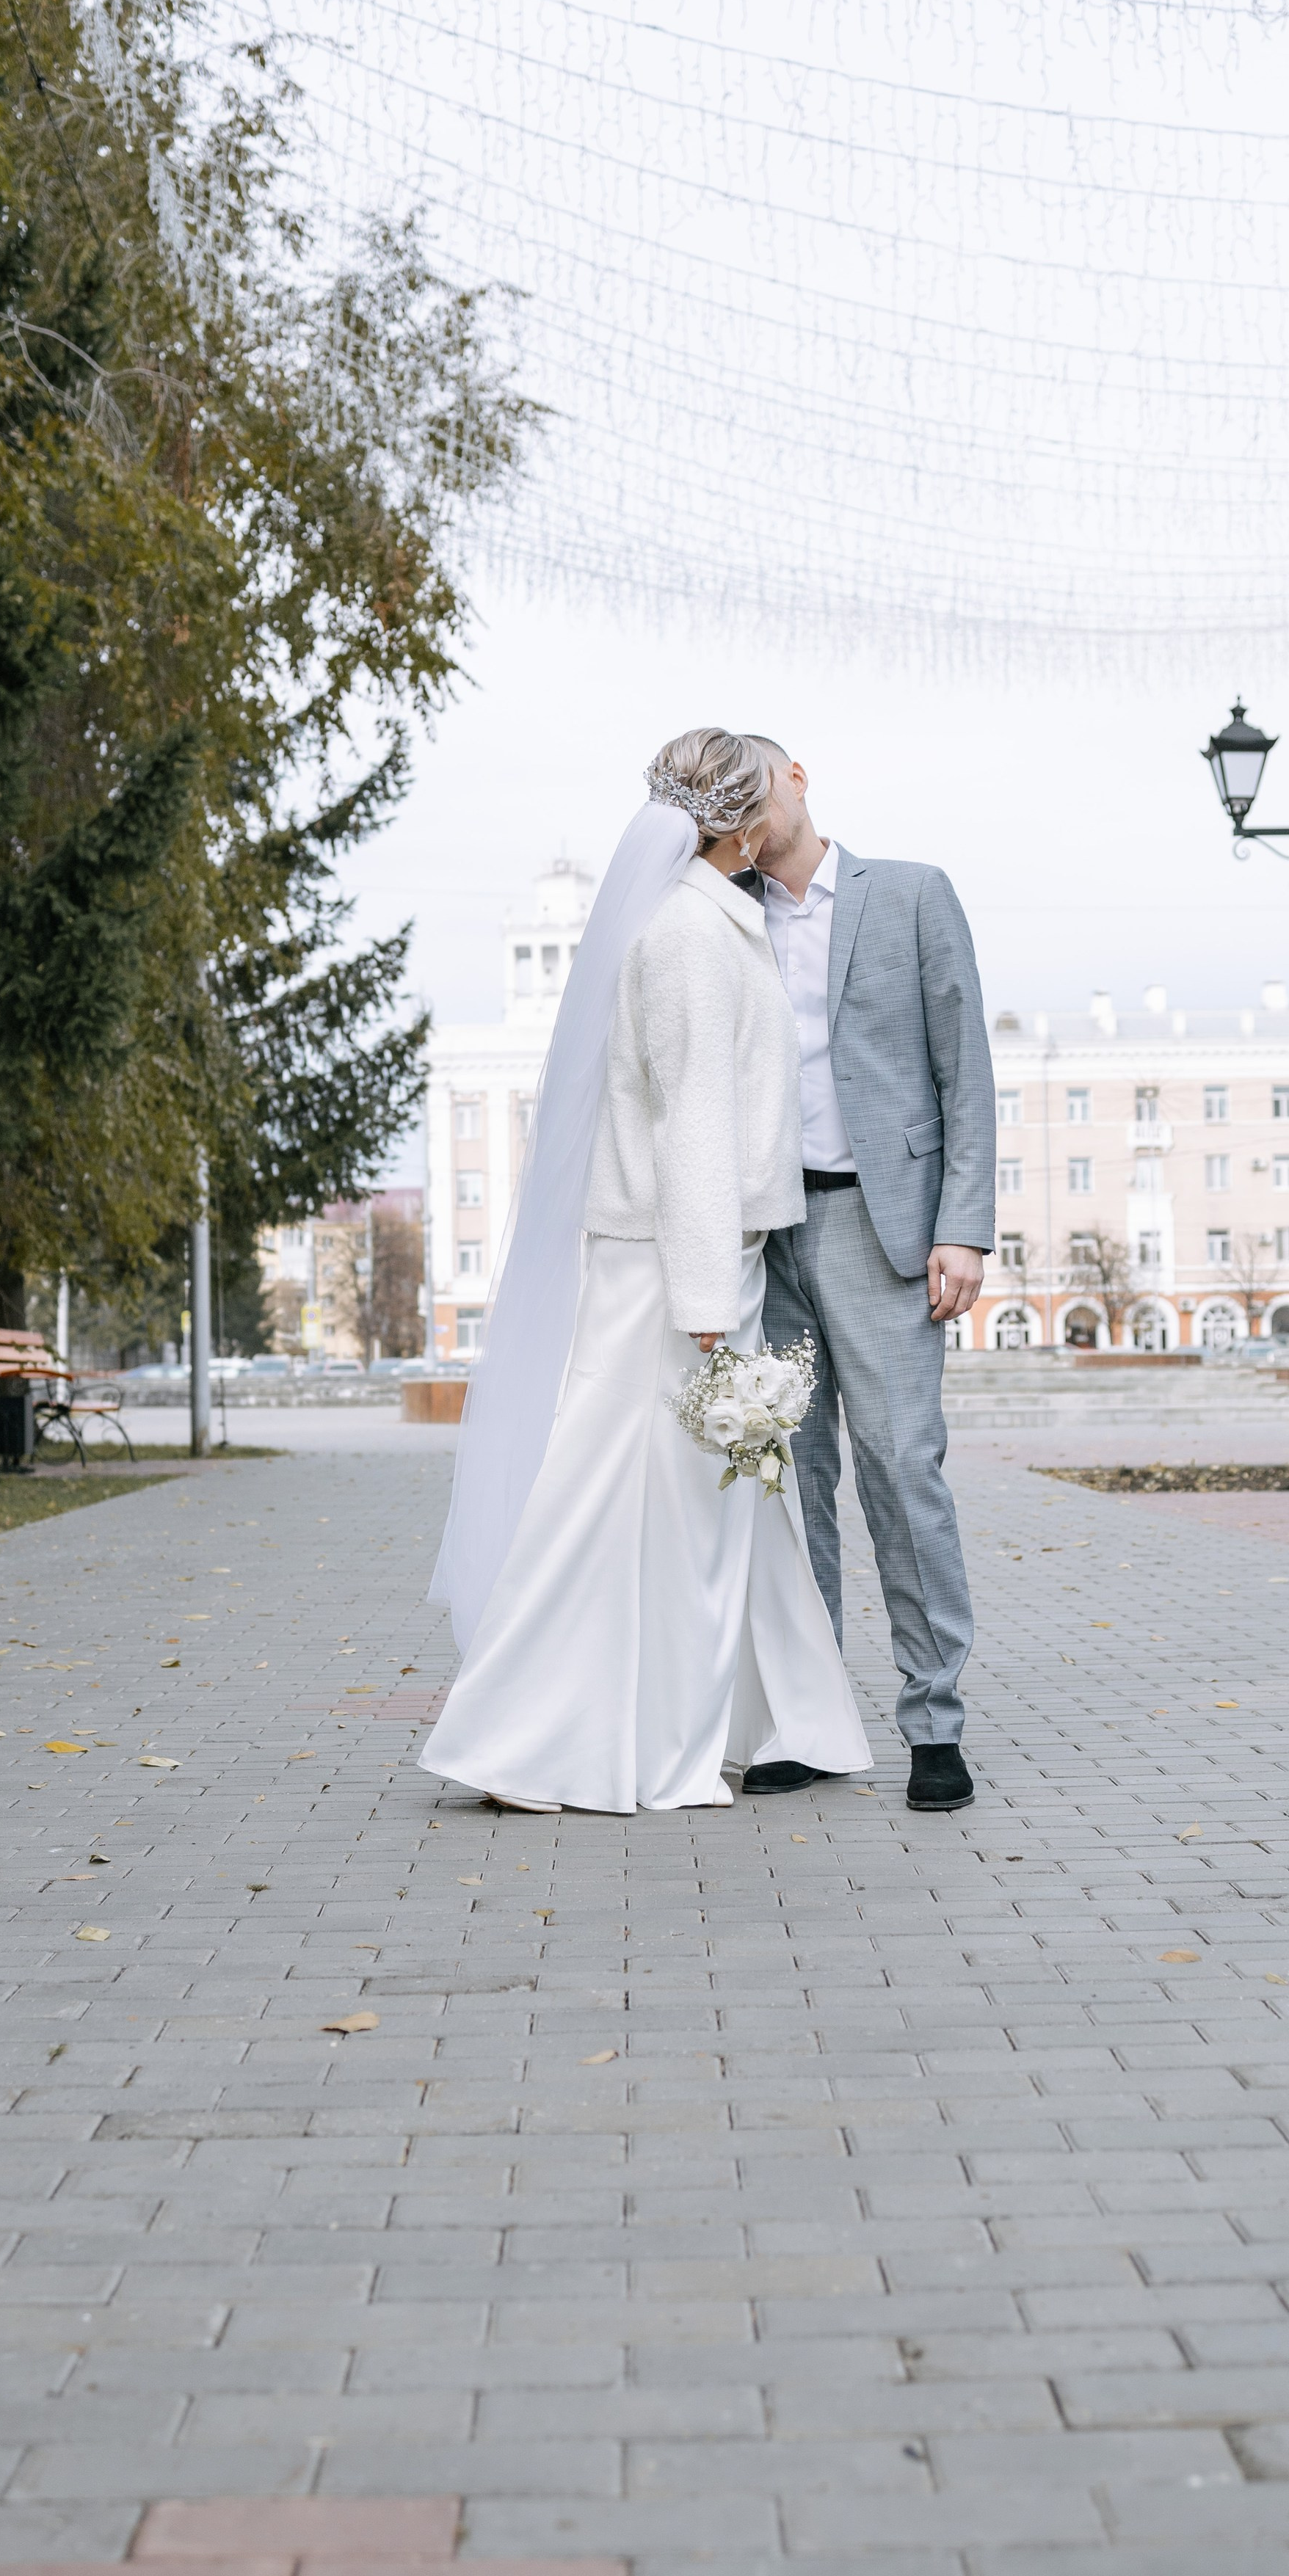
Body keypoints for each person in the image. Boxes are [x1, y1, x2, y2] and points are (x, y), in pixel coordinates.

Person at [422, 729, 871, 1815]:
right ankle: (531, 1738)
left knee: (722, 1510)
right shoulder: (686, 936)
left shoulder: (711, 921)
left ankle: (782, 1722)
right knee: (640, 1503)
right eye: (770, 787)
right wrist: (710, 1307)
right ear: (742, 819)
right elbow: (694, 1126)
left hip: (702, 1261)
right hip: (677, 1273)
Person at [741, 741, 995, 1812]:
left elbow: (963, 1066)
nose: (742, 812)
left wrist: (964, 1229)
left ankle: (932, 1719)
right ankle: (806, 1719)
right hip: (762, 1232)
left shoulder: (911, 896)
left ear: (797, 777)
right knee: (789, 1487)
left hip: (877, 1225)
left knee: (898, 1467)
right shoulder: (720, 915)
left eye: (750, 786)